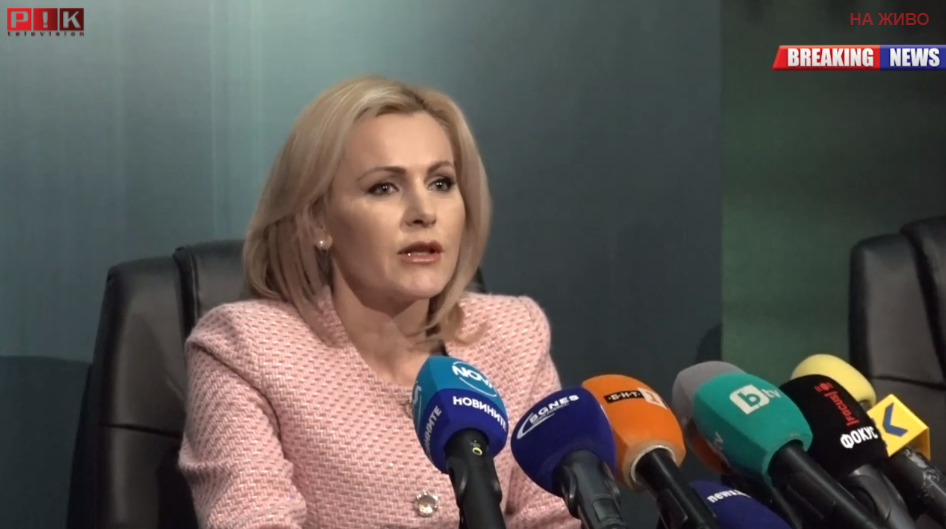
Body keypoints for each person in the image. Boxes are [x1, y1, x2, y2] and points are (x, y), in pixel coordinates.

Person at [178, 76, 578, 529]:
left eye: (441, 182)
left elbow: (555, 518)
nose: (424, 211)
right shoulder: (246, 350)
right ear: (317, 221)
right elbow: (253, 520)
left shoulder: (513, 338)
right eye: (384, 188)